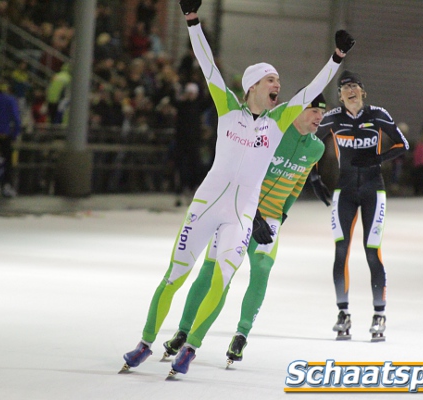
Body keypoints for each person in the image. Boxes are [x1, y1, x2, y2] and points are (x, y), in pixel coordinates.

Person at [120, 0, 354, 375]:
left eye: (278, 80)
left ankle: (191, 346)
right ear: (252, 86)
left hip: (242, 215)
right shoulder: (227, 106)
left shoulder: (278, 121)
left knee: (221, 280)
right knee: (174, 276)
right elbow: (207, 65)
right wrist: (192, 21)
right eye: (270, 79)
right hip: (205, 206)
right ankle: (145, 342)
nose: (278, 84)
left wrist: (337, 57)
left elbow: (313, 86)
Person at [161, 93, 330, 366]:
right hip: (240, 213)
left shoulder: (316, 148)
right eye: (313, 111)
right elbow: (245, 172)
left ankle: (242, 334)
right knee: (213, 273)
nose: (319, 117)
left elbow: (297, 183)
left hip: (270, 219)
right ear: (298, 111)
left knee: (262, 270)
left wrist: (281, 214)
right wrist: (255, 215)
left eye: (322, 112)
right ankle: (183, 330)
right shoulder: (272, 135)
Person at [315, 70, 409, 341]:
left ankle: (379, 314)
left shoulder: (377, 114)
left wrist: (377, 158)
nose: (350, 90)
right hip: (343, 191)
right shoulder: (332, 119)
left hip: (373, 190)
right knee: (341, 251)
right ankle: (343, 313)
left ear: (363, 92)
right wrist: (314, 178)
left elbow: (402, 144)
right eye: (345, 87)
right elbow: (309, 144)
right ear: (340, 95)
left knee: (371, 252)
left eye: (355, 85)